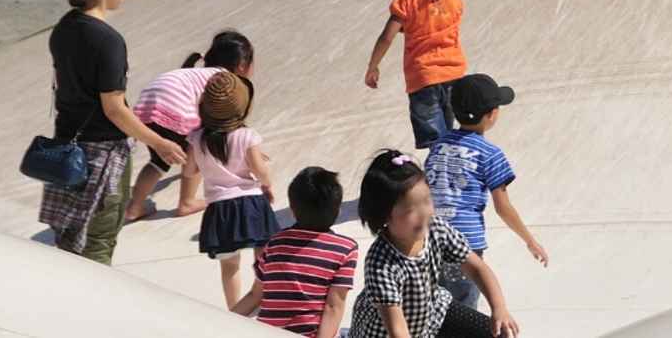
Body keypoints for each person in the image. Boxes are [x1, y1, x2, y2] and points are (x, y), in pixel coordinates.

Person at [38, 0, 187, 264]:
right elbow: (114, 108)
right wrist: (159, 142)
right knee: (98, 243)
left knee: (67, 239)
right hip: (101, 157)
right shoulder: (107, 40)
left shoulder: (63, 28)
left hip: (65, 148)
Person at [348, 150, 518, 338]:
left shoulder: (436, 229)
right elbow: (398, 330)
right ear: (384, 215)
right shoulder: (380, 262)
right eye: (411, 208)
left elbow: (477, 268)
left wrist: (499, 308)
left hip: (434, 313)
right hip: (384, 333)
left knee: (499, 333)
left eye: (427, 201)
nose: (424, 213)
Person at [426, 74, 549, 311]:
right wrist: (530, 241)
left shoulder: (438, 146)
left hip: (429, 240)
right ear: (492, 115)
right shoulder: (490, 154)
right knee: (463, 311)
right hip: (464, 245)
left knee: (435, 307)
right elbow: (503, 207)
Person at [126, 30, 256, 222]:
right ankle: (187, 202)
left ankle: (134, 208)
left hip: (147, 106)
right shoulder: (227, 81)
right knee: (197, 148)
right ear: (243, 66)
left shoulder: (196, 72)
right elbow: (228, 122)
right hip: (173, 106)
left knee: (158, 161)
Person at [365, 0, 469, 150]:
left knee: (436, 143)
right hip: (454, 75)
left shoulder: (405, 3)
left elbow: (387, 37)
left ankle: (438, 178)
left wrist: (373, 66)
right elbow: (442, 20)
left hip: (422, 79)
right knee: (450, 136)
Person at [185, 70, 279, 308]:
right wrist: (267, 182)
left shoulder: (196, 139)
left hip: (219, 208)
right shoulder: (248, 136)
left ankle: (235, 309)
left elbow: (188, 172)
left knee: (229, 266)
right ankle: (265, 300)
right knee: (264, 257)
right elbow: (260, 171)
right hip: (251, 203)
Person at [231, 167, 359, 337]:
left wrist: (221, 322)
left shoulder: (274, 243)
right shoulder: (345, 249)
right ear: (338, 210)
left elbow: (255, 295)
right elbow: (333, 306)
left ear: (292, 209)